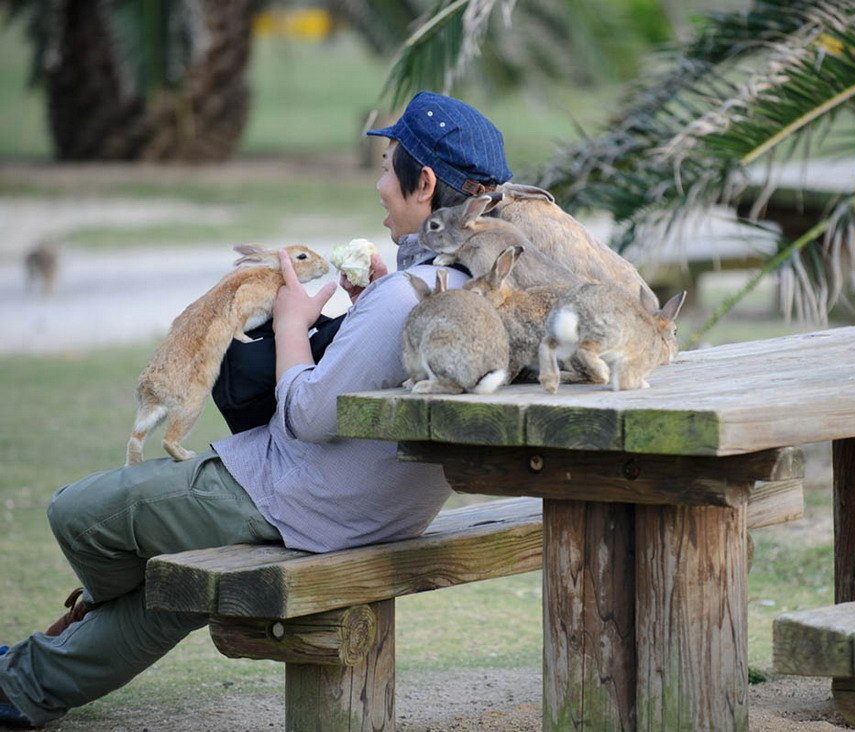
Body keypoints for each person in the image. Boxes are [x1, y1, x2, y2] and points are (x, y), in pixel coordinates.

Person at [0, 91, 512, 728]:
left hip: (293, 500)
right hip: (378, 511)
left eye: (387, 166)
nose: (380, 185)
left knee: (75, 513)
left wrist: (296, 323)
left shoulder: (400, 300)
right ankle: (20, 687)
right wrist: (362, 308)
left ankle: (36, 666)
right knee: (174, 589)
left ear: (425, 183)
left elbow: (305, 416)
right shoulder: (474, 287)